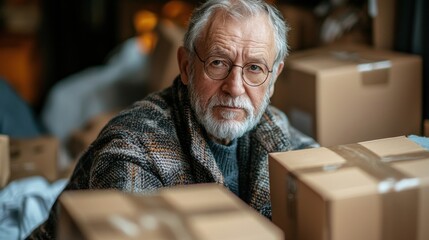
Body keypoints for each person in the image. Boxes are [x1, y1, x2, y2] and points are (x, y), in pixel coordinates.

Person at [26, 0, 318, 238]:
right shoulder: (133, 147)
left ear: (274, 76)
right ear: (186, 66)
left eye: (254, 68)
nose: (235, 87)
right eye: (218, 63)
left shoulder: (271, 125)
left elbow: (326, 183)